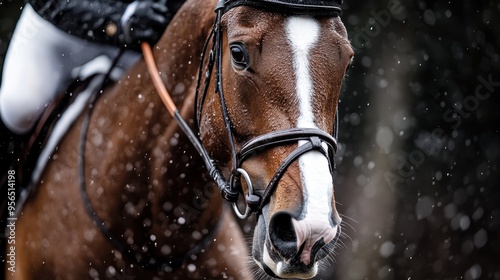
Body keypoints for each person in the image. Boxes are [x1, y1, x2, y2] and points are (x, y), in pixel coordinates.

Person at [0, 0, 185, 174]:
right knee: (19, 107)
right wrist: (117, 22)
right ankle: (9, 192)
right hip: (58, 31)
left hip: (135, 34)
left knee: (175, 107)